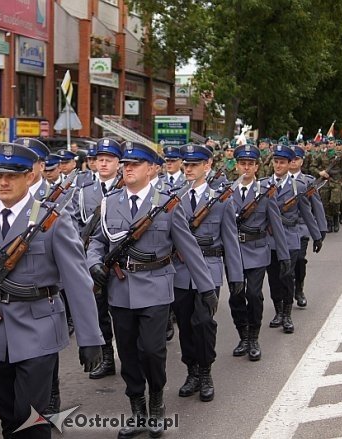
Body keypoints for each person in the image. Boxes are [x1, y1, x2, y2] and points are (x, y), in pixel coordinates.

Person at [0, 142, 103, 438]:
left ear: (29, 177)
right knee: (8, 419)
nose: (3, 182)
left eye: (12, 175)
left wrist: (90, 338)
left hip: (38, 327)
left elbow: (77, 281)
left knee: (31, 420)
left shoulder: (51, 219)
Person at [87, 141, 215, 439]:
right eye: (125, 164)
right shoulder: (110, 202)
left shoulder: (167, 203)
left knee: (152, 351)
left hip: (157, 287)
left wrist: (206, 288)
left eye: (134, 164)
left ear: (151, 169)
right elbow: (97, 241)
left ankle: (156, 403)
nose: (127, 169)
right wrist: (92, 261)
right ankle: (138, 411)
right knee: (128, 354)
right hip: (120, 288)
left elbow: (188, 247)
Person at [172, 143, 243, 403]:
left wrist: (236, 276)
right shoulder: (173, 198)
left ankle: (205, 371)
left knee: (203, 323)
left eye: (194, 165)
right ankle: (191, 371)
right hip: (180, 272)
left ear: (208, 165)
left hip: (210, 270)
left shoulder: (220, 200)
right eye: (186, 164)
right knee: (185, 326)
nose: (188, 169)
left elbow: (230, 240)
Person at [228, 144, 289, 361]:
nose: (246, 167)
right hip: (233, 253)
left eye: (250, 164)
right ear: (236, 166)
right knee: (236, 296)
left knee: (253, 295)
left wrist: (284, 256)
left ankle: (254, 337)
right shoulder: (225, 192)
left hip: (257, 250)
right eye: (242, 163)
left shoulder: (265, 193)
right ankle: (242, 335)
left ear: (256, 167)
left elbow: (277, 225)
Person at [75, 138, 122, 381]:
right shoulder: (84, 193)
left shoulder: (126, 188)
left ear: (118, 163)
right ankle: (106, 358)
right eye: (99, 160)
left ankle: (129, 354)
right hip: (93, 261)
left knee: (123, 311)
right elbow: (75, 225)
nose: (103, 164)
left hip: (121, 258)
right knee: (99, 310)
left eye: (108, 159)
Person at [265, 144, 322, 334]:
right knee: (273, 278)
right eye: (276, 162)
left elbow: (307, 213)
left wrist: (317, 235)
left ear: (290, 164)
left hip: (290, 237)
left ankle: (288, 314)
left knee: (287, 276)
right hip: (271, 238)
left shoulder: (299, 186)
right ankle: (278, 311)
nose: (279, 165)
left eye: (282, 162)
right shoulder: (264, 185)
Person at [288, 146, 327, 308]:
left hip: (301, 228)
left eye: (296, 159)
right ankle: (285, 298)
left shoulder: (308, 181)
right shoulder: (275, 181)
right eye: (290, 160)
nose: (292, 163)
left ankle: (299, 289)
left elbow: (316, 206)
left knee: (299, 260)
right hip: (282, 229)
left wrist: (320, 231)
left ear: (301, 161)